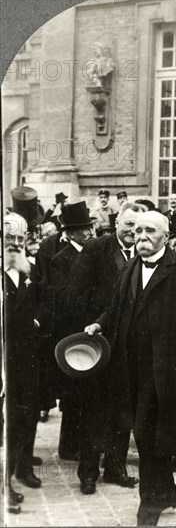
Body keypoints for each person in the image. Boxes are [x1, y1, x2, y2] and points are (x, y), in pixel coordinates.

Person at [84, 211, 176, 526]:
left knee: (150, 435)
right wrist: (99, 324)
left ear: (166, 236)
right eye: (137, 229)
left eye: (149, 231)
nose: (141, 235)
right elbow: (115, 308)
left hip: (165, 371)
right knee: (148, 435)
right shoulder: (129, 266)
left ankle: (149, 505)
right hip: (128, 368)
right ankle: (167, 492)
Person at [65, 202, 147, 493]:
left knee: (124, 410)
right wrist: (93, 333)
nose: (133, 232)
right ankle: (88, 472)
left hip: (129, 348)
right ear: (116, 225)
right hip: (97, 344)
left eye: (138, 228)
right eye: (128, 226)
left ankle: (115, 468)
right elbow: (76, 295)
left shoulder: (144, 254)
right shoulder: (96, 249)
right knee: (93, 410)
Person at [46, 202, 97, 462]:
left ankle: (83, 443)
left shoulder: (93, 253)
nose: (89, 233)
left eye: (89, 227)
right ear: (71, 233)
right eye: (83, 229)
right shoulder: (61, 260)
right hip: (71, 332)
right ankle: (69, 446)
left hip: (92, 331)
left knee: (88, 391)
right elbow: (63, 298)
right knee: (73, 392)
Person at [3, 213, 44, 503]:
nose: (16, 244)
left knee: (27, 412)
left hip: (28, 355)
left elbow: (46, 302)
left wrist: (38, 323)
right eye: (10, 239)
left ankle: (24, 466)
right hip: (4, 356)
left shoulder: (31, 271)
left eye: (20, 238)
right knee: (8, 417)